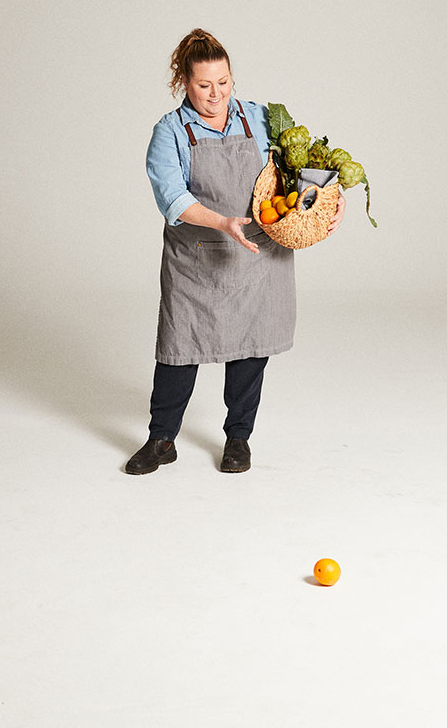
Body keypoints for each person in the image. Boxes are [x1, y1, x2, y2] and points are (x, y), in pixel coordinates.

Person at [125, 28, 342, 475]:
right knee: (178, 350)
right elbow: (173, 198)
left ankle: (238, 439)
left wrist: (326, 202)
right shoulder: (170, 133)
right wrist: (222, 221)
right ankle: (162, 439)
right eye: (204, 85)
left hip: (259, 257)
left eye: (223, 82)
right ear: (184, 82)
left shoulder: (261, 118)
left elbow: (298, 175)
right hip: (199, 258)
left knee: (251, 348)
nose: (215, 94)